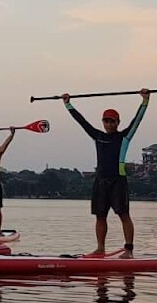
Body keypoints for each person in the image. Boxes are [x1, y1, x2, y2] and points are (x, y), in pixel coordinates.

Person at [63, 89, 149, 257]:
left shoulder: (124, 136)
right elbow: (82, 122)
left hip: (118, 181)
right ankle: (100, 248)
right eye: (106, 121)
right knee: (100, 216)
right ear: (103, 122)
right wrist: (68, 104)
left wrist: (145, 101)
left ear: (117, 122)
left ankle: (128, 250)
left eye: (112, 121)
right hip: (101, 181)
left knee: (124, 215)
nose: (109, 124)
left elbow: (137, 120)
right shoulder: (98, 136)